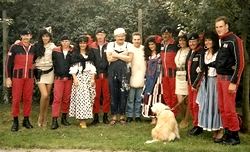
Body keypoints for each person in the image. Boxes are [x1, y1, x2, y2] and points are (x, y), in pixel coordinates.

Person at [213, 16, 244, 145]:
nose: (219, 29)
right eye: (217, 27)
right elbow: (222, 62)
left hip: (228, 80)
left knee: (230, 108)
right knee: (222, 108)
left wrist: (233, 82)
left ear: (227, 26)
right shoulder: (222, 41)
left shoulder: (234, 40)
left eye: (221, 26)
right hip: (219, 79)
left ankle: (234, 136)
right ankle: (227, 133)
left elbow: (240, 63)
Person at [6, 28, 35, 132]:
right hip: (17, 77)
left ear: (30, 36)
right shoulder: (14, 47)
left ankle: (26, 120)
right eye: (24, 35)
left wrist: (71, 47)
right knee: (16, 99)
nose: (26, 37)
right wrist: (8, 77)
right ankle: (15, 121)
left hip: (30, 78)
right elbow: (8, 63)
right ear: (21, 36)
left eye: (28, 35)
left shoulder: (33, 48)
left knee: (28, 99)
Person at [196, 31, 223, 141]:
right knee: (207, 104)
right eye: (206, 40)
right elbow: (202, 67)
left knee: (216, 104)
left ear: (214, 41)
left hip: (216, 81)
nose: (207, 42)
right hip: (205, 81)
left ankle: (220, 129)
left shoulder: (219, 53)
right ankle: (213, 127)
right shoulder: (205, 53)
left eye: (209, 40)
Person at [106, 28, 133, 125]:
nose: (121, 37)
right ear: (115, 37)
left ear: (125, 36)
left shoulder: (129, 45)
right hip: (112, 71)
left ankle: (122, 115)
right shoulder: (110, 44)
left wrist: (116, 55)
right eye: (118, 36)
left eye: (122, 35)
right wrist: (123, 56)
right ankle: (113, 115)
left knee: (124, 93)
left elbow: (130, 59)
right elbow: (109, 58)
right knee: (113, 93)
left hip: (125, 72)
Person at [69, 35, 96, 128]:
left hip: (88, 77)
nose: (82, 44)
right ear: (78, 44)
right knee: (81, 99)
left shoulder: (90, 53)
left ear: (87, 43)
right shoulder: (75, 54)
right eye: (81, 43)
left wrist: (92, 78)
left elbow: (92, 67)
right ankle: (82, 120)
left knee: (89, 98)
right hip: (79, 78)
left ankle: (86, 118)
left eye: (84, 42)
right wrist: (75, 79)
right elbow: (73, 68)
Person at [34, 28, 56, 127]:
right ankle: (41, 116)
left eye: (47, 36)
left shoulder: (52, 46)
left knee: (47, 97)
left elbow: (62, 49)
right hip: (39, 73)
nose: (45, 38)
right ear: (41, 37)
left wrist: (71, 46)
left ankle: (45, 117)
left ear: (50, 37)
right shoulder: (36, 45)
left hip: (50, 72)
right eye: (43, 36)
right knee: (45, 95)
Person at [51, 35, 73, 130]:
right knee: (57, 99)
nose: (65, 43)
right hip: (58, 78)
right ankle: (54, 120)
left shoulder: (73, 51)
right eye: (63, 41)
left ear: (69, 42)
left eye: (67, 41)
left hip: (68, 79)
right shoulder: (55, 51)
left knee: (66, 99)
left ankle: (64, 118)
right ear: (60, 42)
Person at [89, 28, 110, 125]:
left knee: (106, 96)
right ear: (96, 36)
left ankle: (105, 116)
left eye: (102, 34)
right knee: (95, 96)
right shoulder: (92, 46)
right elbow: (91, 61)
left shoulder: (109, 45)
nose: (100, 36)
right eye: (98, 34)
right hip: (96, 75)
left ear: (105, 35)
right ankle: (96, 117)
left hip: (107, 75)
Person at [186, 33, 205, 136]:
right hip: (190, 83)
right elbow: (188, 68)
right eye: (190, 41)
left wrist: (195, 84)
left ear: (198, 41)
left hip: (197, 85)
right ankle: (195, 124)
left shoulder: (201, 52)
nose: (192, 43)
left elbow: (202, 70)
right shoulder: (191, 52)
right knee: (192, 105)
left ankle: (199, 126)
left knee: (196, 105)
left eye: (194, 41)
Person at [141, 35, 162, 124]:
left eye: (152, 44)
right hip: (149, 78)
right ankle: (152, 117)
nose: (151, 46)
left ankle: (158, 117)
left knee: (157, 97)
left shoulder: (160, 55)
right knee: (149, 96)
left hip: (158, 78)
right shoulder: (148, 56)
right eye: (149, 45)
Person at [126, 32, 146, 122]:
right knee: (130, 98)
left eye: (138, 39)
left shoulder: (144, 49)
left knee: (139, 98)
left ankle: (137, 115)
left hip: (142, 75)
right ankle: (129, 115)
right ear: (132, 40)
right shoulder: (129, 49)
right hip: (132, 75)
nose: (137, 41)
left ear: (141, 40)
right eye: (135, 39)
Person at [160, 26, 178, 114]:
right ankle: (168, 111)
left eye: (167, 33)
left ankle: (174, 112)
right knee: (166, 93)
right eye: (163, 34)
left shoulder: (175, 44)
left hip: (173, 72)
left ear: (170, 34)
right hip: (164, 72)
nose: (165, 35)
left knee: (173, 93)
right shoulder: (161, 44)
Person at [173, 34, 190, 128]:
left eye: (183, 40)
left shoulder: (189, 51)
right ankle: (183, 117)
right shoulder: (179, 51)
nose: (182, 42)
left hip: (185, 76)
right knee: (180, 101)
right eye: (180, 40)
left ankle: (186, 120)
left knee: (187, 100)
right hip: (178, 76)